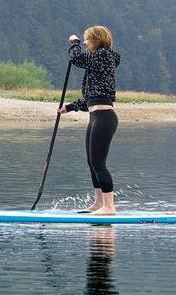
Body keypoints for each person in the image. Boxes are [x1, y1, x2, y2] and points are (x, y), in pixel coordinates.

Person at [58, 26, 120, 215]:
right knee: (91, 162)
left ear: (96, 40)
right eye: (82, 40)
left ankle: (109, 207)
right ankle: (98, 203)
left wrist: (74, 43)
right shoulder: (97, 63)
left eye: (86, 40)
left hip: (104, 117)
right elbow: (90, 99)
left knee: (99, 163)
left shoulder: (104, 56)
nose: (84, 43)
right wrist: (69, 107)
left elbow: (76, 58)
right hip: (95, 116)